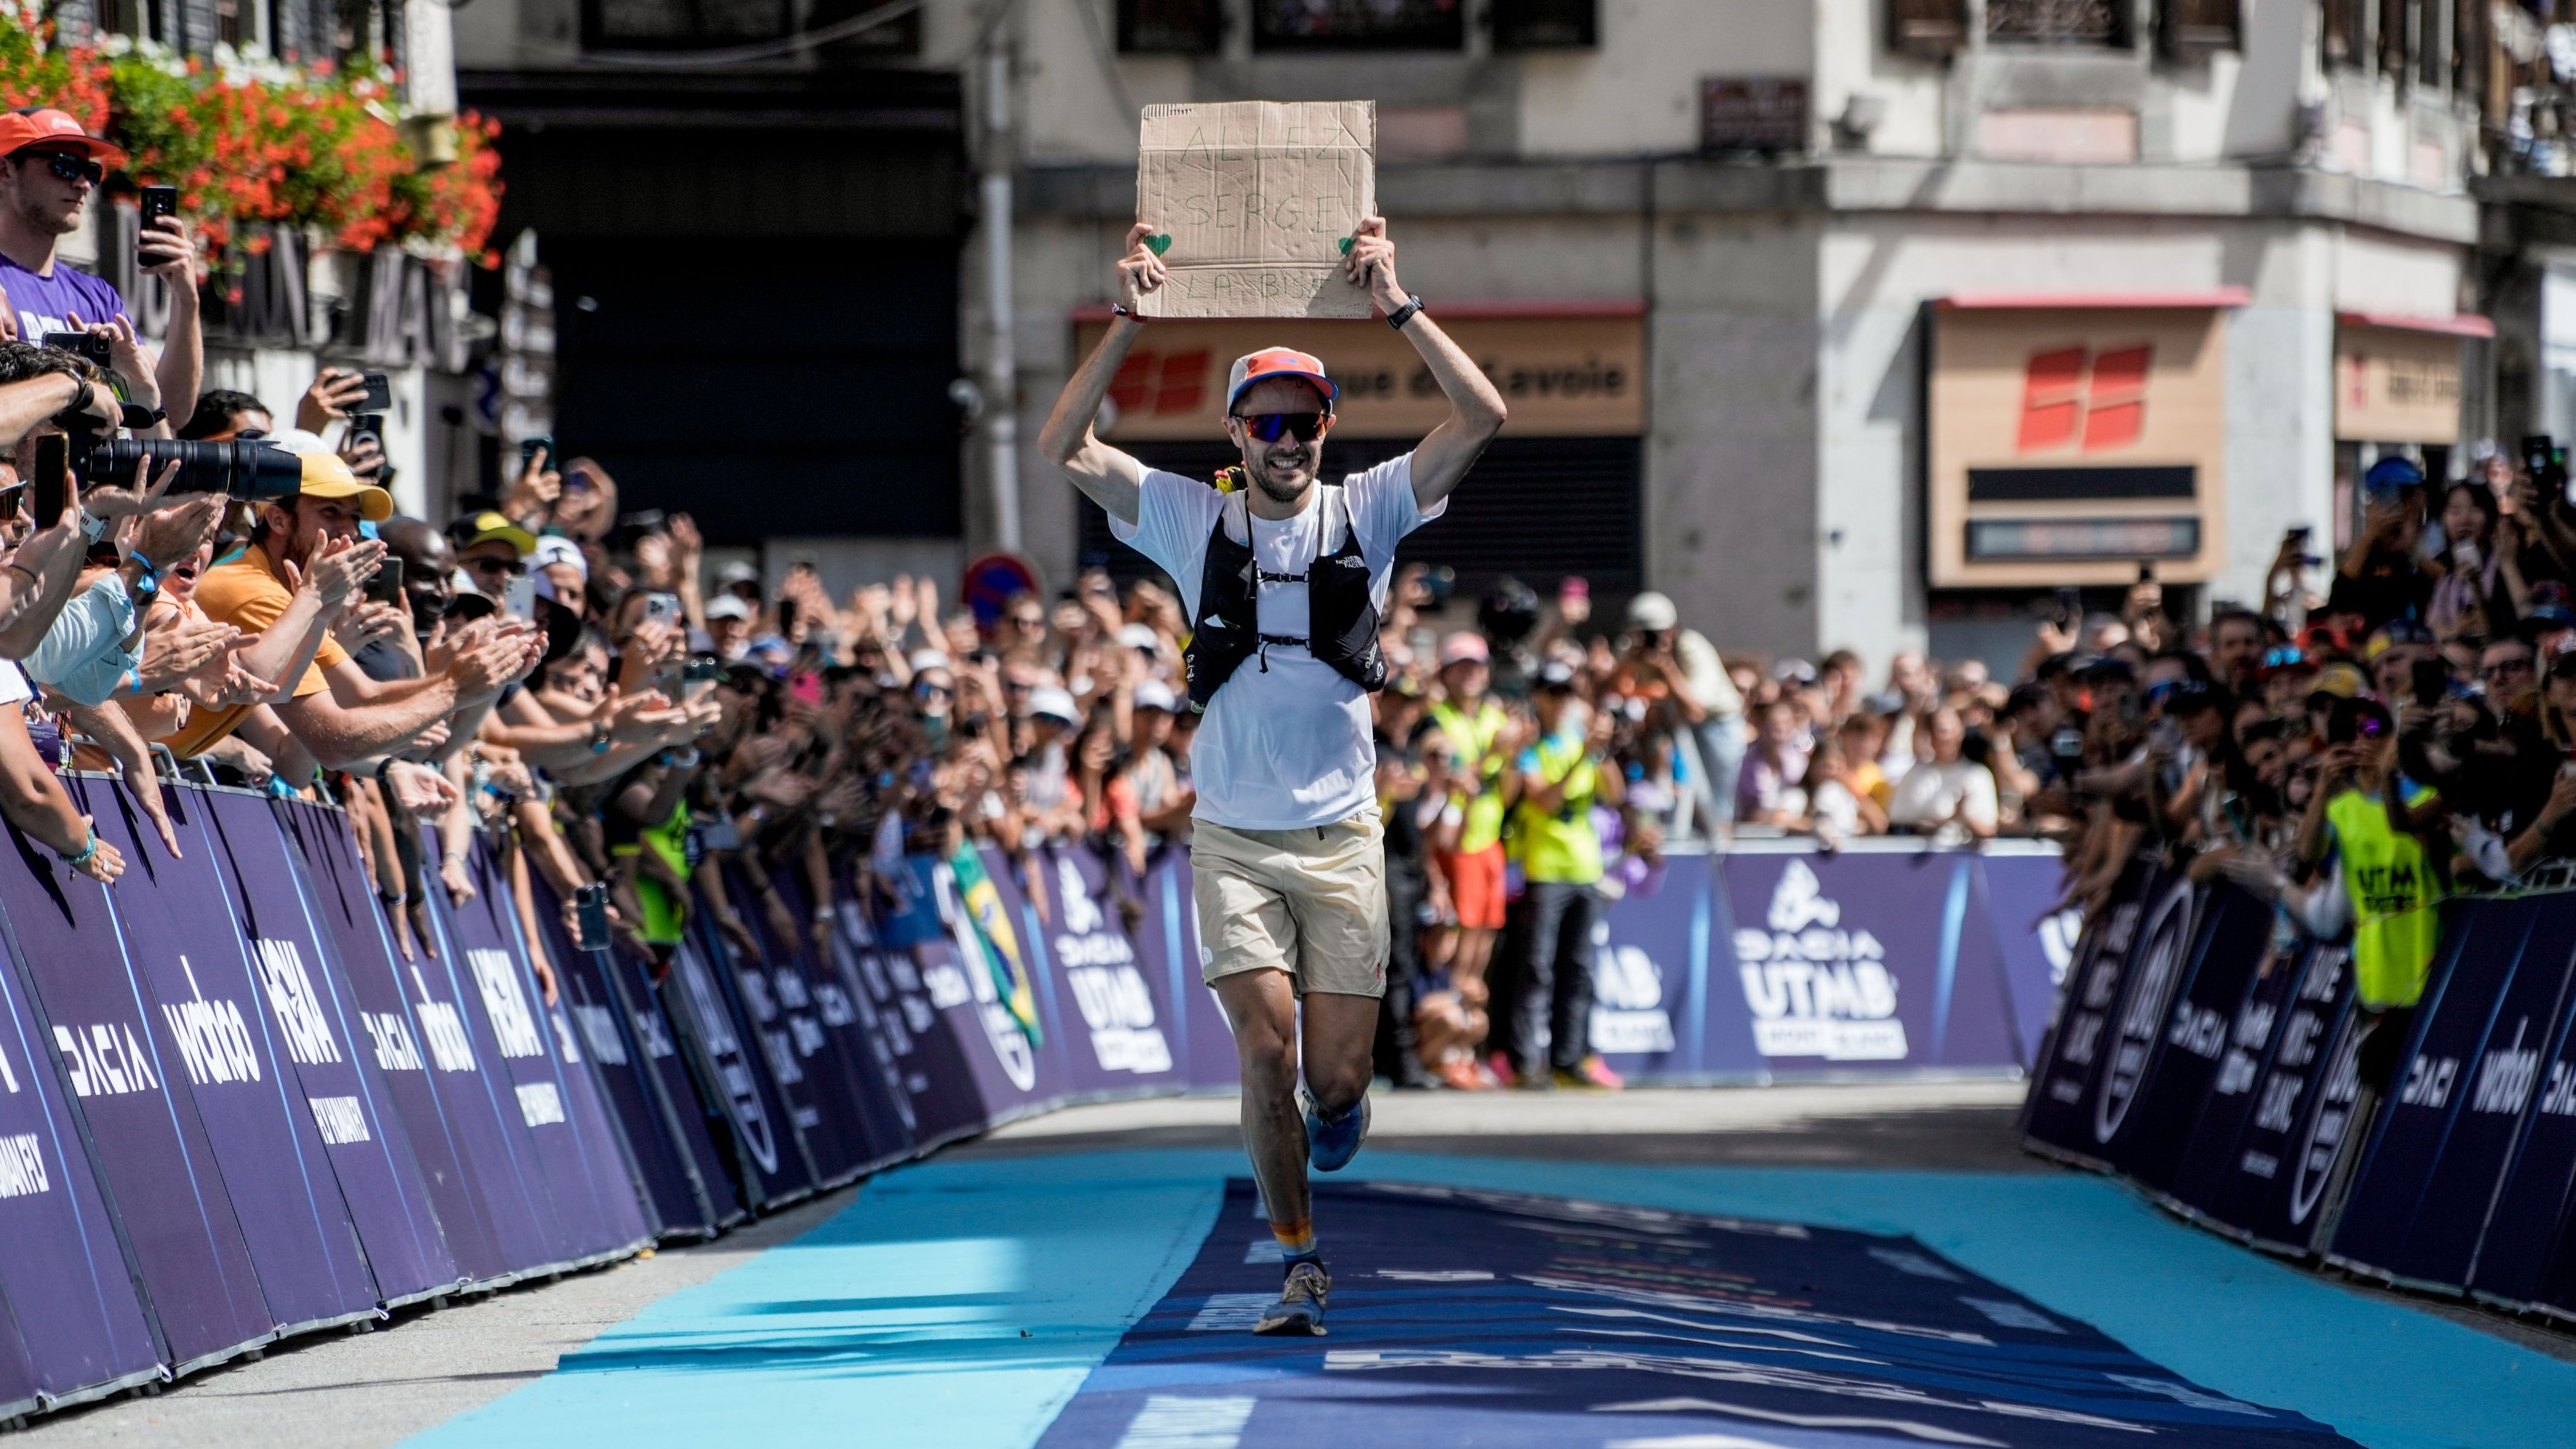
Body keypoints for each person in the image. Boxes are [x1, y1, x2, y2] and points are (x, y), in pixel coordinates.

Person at [1036, 214, 1506, 1336]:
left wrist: (1396, 301)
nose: (1285, 438)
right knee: (1264, 1044)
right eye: (1265, 421)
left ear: (1326, 427)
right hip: (1234, 839)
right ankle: (1297, 1265)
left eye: (1302, 419)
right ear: (1235, 432)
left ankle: (1331, 1118)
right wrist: (1124, 324)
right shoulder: (1188, 516)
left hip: (1343, 835)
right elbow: (1062, 445)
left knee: (1334, 1085)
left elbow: (1482, 416)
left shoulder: (1372, 506)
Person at [0, 109, 200, 426]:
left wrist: (186, 301)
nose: (83, 184)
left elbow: (169, 411)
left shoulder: (97, 295)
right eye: (64, 166)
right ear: (5, 170)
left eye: (91, 171)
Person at [1496, 660, 1623, 1090]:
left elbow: (1615, 793)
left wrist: (1600, 752)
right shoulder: (1533, 749)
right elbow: (1545, 801)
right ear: (1538, 697)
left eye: (1566, 691)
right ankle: (1527, 1061)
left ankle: (1571, 1059)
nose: (1559, 700)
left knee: (1579, 969)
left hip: (1585, 869)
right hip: (1546, 871)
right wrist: (1581, 759)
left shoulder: (1580, 742)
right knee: (1536, 969)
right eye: (1551, 691)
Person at [1425, 631, 1514, 1020]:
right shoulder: (1437, 719)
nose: (1470, 675)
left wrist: (1512, 755)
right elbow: (1454, 779)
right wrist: (1496, 752)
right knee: (1460, 933)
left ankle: (1466, 1023)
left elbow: (1507, 790)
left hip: (1490, 837)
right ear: (1446, 673)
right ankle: (1451, 1020)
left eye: (1476, 666)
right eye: (1461, 667)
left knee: (1486, 931)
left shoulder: (1496, 718)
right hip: (1455, 843)